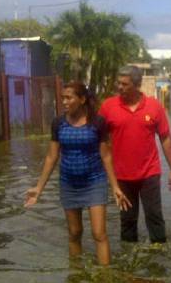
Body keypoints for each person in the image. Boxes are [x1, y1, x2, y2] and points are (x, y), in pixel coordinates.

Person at [24, 81, 130, 266]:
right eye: (63, 97)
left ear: (81, 99)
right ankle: (77, 277)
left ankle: (105, 280)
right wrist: (39, 189)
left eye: (68, 97)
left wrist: (115, 187)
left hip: (94, 182)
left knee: (99, 234)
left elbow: (105, 155)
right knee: (74, 233)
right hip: (68, 184)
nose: (64, 101)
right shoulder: (58, 123)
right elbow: (51, 156)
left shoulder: (97, 122)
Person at [99, 65, 171, 244]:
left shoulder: (154, 106)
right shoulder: (108, 107)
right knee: (127, 220)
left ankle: (159, 258)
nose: (120, 87)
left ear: (137, 85)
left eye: (124, 84)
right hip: (122, 176)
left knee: (155, 216)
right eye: (118, 83)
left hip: (149, 172)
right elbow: (100, 141)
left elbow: (165, 138)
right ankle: (128, 262)